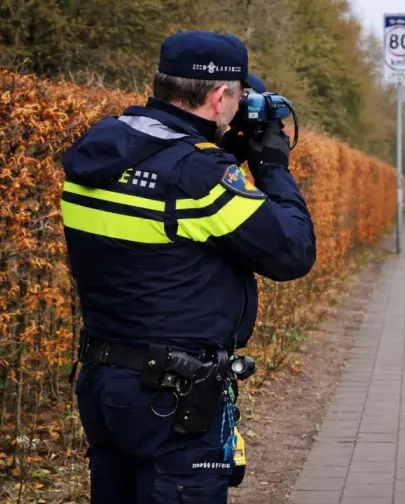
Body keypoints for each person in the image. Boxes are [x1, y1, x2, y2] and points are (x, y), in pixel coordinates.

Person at [60, 30, 316, 503]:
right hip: (172, 398)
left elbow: (164, 215)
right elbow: (292, 251)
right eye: (238, 100)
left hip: (104, 383)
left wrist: (225, 151)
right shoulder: (199, 176)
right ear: (220, 97)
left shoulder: (99, 150)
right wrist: (273, 165)